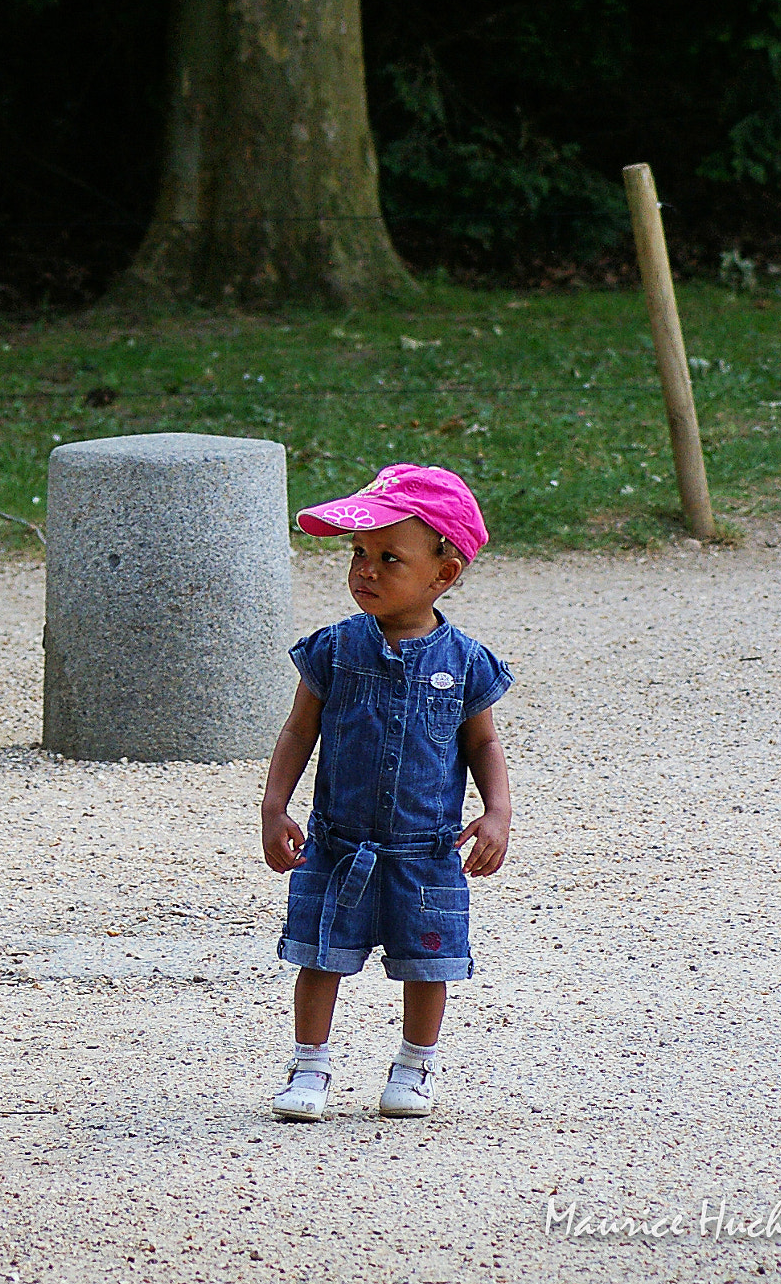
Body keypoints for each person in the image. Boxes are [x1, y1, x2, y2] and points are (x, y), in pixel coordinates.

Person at [257, 465, 515, 1120]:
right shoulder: (333, 650)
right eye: (358, 554)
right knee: (319, 957)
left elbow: (482, 743)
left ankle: (415, 1064)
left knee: (428, 963)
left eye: (388, 557)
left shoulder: (465, 661)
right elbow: (297, 730)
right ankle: (309, 1065)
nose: (365, 570)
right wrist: (274, 805)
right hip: (337, 843)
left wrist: (497, 811)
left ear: (444, 573)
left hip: (426, 850)